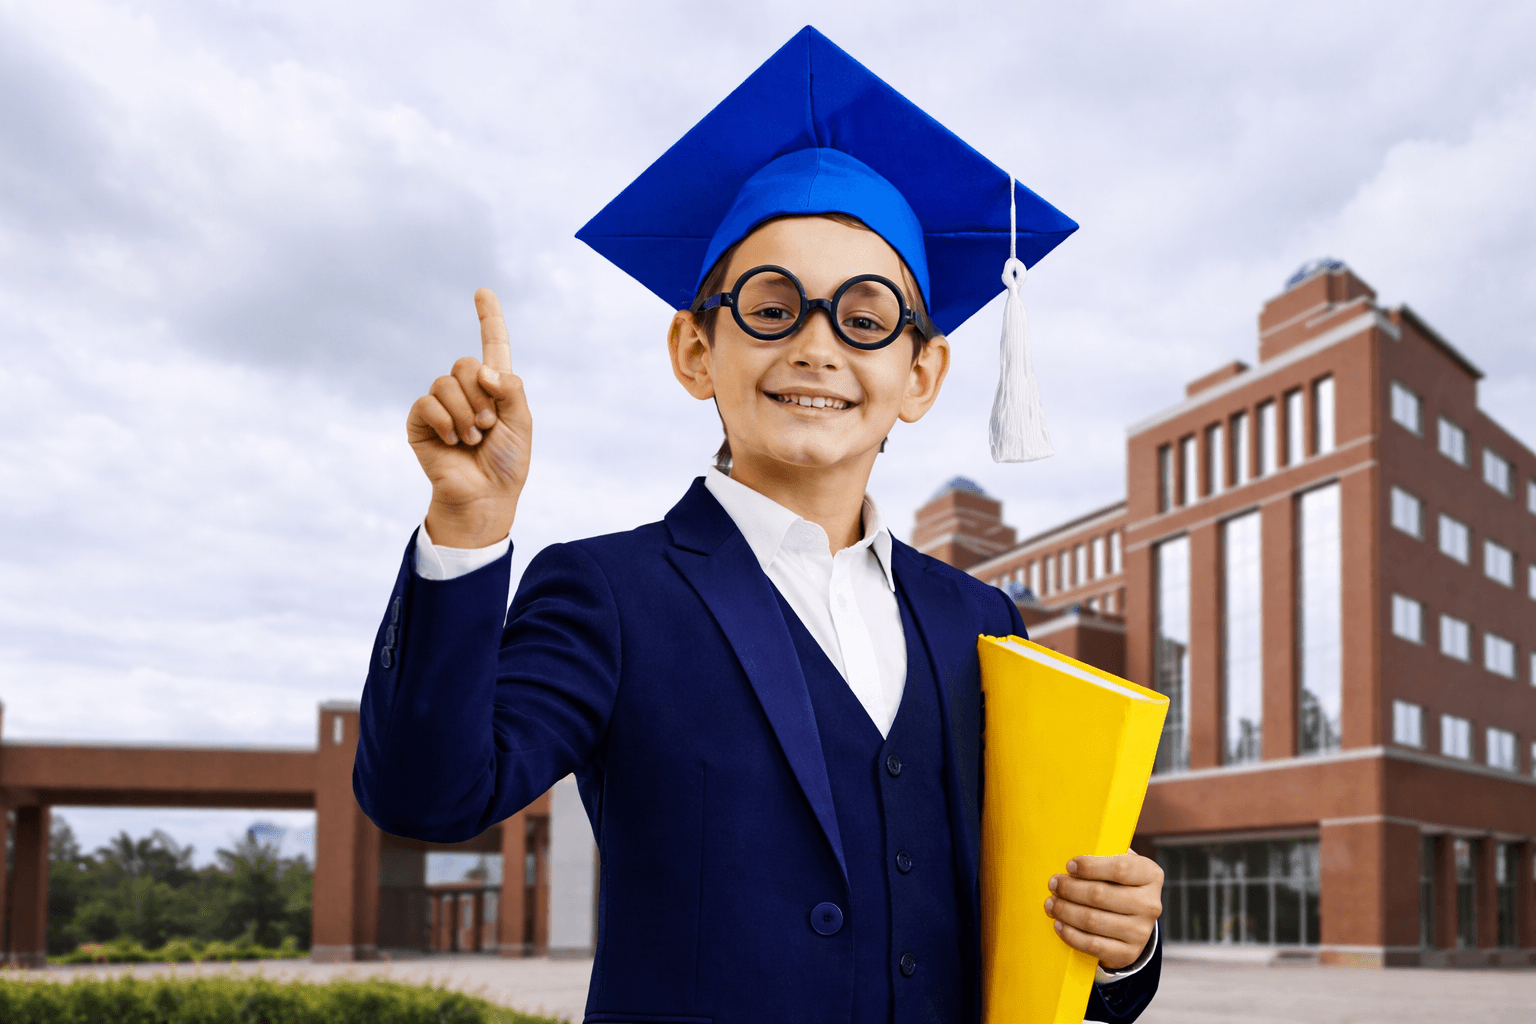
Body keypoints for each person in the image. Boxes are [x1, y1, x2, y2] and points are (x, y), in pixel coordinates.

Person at [355, 26, 1162, 1024]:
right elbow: (429, 796)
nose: (819, 346)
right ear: (696, 350)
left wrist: (1120, 943)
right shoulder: (611, 592)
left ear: (921, 375)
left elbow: (1018, 922)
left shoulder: (979, 620)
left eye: (866, 319)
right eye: (773, 308)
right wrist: (468, 525)